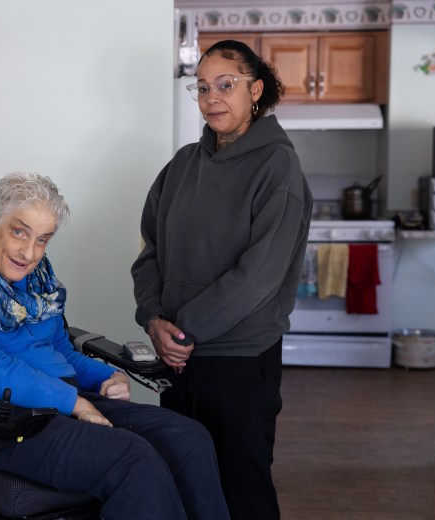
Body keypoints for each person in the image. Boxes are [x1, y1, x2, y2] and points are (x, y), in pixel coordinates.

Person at [0, 171, 230, 520]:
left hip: (57, 400)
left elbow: (61, 352)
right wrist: (77, 404)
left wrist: (105, 376)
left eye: (42, 240)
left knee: (188, 438)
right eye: (19, 232)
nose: (29, 253)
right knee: (130, 458)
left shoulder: (36, 279)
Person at [131, 40, 313, 520]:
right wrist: (153, 318)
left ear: (255, 90)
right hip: (178, 359)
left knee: (242, 493)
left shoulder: (278, 166)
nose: (211, 98)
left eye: (225, 85)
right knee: (182, 484)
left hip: (238, 361)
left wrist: (182, 331)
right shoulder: (182, 165)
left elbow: (259, 276)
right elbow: (150, 253)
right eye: (203, 87)